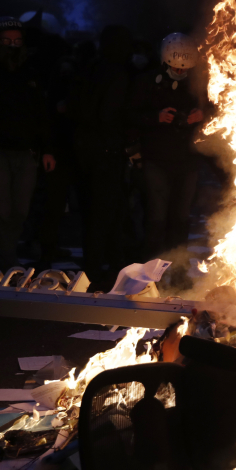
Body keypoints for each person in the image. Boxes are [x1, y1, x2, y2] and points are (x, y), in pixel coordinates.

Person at [128, 33, 204, 258]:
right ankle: (149, 268)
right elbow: (128, 116)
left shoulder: (199, 84)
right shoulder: (146, 82)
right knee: (156, 217)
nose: (180, 73)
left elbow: (219, 109)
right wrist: (156, 117)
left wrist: (201, 115)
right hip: (156, 160)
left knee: (181, 218)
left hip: (188, 160)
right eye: (175, 68)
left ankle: (176, 270)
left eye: (184, 69)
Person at [71, 25, 134, 280]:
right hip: (106, 152)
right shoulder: (117, 74)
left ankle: (95, 264)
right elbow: (109, 113)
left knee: (91, 212)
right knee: (106, 212)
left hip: (85, 151)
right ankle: (99, 268)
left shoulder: (89, 68)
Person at [0, 18, 55, 269]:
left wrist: (47, 149)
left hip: (26, 151)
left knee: (20, 209)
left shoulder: (31, 71)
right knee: (2, 208)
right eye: (7, 41)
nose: (12, 45)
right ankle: (7, 258)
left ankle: (6, 254)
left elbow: (41, 113)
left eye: (17, 41)